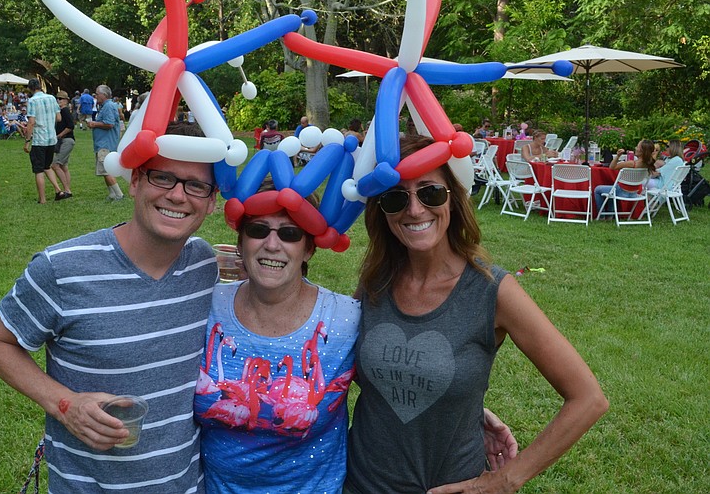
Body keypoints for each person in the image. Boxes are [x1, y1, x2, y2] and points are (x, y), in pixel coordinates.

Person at [195, 181, 518, 493]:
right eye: (257, 230)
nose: (272, 244)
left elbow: (393, 372)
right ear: (240, 243)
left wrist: (461, 408)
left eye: (290, 233)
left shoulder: (347, 318)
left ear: (309, 248)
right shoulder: (203, 308)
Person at [346, 135, 608, 493]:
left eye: (430, 192)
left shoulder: (492, 290)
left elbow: (588, 399)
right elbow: (363, 371)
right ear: (382, 211)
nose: (415, 210)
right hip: (361, 483)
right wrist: (451, 401)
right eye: (395, 197)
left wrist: (503, 481)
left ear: (453, 199)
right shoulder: (375, 281)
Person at [0, 122, 218, 492]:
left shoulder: (206, 266)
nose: (177, 195)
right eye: (163, 178)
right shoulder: (62, 268)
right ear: (135, 180)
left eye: (196, 185)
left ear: (212, 200)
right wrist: (65, 404)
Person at [23, 78, 63, 204]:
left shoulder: (32, 101)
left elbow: (31, 122)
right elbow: (59, 117)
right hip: (51, 138)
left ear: (30, 89)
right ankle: (58, 190)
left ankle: (43, 198)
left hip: (39, 139)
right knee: (47, 166)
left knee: (38, 169)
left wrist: (27, 140)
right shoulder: (51, 98)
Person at [593, 138, 657, 213]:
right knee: (612, 189)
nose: (635, 148)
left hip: (622, 192)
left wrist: (618, 156)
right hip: (634, 193)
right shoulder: (648, 164)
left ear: (642, 151)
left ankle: (602, 214)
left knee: (597, 189)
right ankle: (610, 214)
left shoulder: (632, 163)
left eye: (637, 147)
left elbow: (612, 167)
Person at [88, 84, 124, 201]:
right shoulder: (106, 106)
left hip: (106, 144)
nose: (96, 96)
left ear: (104, 95)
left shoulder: (108, 106)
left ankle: (119, 194)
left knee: (106, 169)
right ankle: (112, 193)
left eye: (97, 94)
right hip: (104, 143)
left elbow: (109, 124)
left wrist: (94, 124)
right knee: (104, 169)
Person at [51, 90, 75, 200]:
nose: (58, 100)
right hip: (65, 140)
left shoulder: (65, 110)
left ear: (66, 100)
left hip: (67, 140)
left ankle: (67, 190)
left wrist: (59, 135)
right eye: (57, 98)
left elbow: (70, 126)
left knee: (55, 165)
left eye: (60, 99)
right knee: (64, 166)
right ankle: (67, 189)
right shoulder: (61, 111)